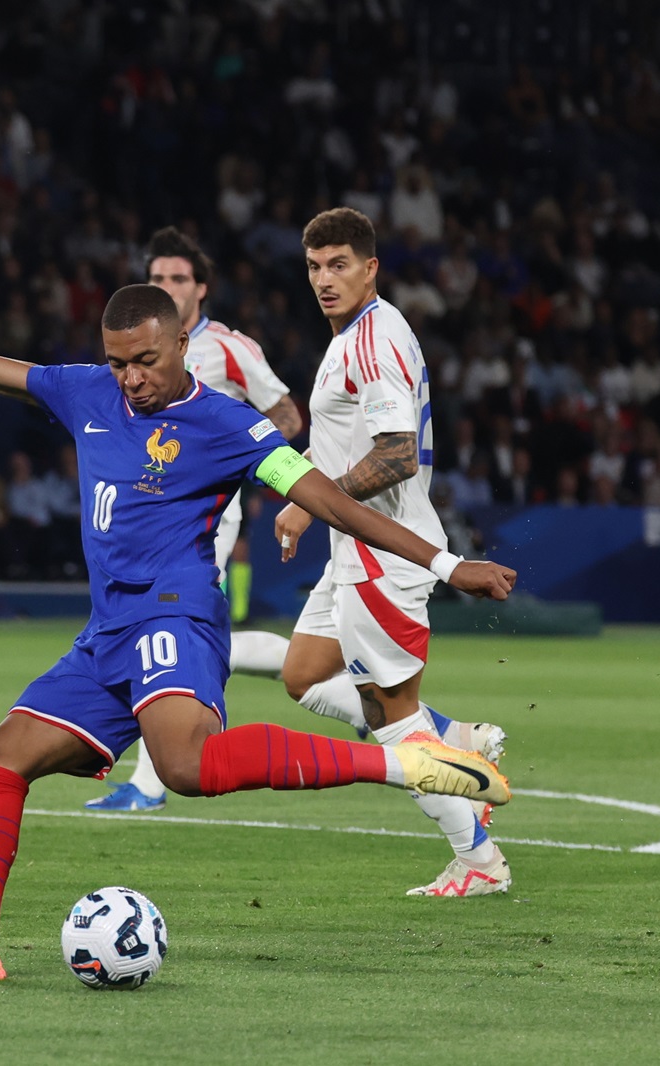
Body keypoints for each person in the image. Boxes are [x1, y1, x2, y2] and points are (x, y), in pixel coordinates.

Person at [0, 253, 516, 980]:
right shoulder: (86, 392)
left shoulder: (229, 427)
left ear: (183, 344)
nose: (132, 379)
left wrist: (446, 564)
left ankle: (406, 762)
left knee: (183, 765)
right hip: (106, 633)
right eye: (119, 363)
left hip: (175, 620)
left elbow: (331, 503)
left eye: (146, 361)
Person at [275, 206, 511, 898]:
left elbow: (396, 455)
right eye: (315, 266)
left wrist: (313, 495)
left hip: (386, 554)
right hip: (354, 547)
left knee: (389, 716)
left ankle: (478, 860)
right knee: (304, 673)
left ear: (370, 267)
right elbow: (346, 440)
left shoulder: (373, 340)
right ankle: (455, 739)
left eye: (339, 264)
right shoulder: (357, 334)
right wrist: (306, 497)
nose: (325, 278)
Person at [89, 226, 314, 811]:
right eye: (159, 277)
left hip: (204, 515)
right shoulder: (138, 348)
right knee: (189, 635)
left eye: (179, 278)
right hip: (145, 510)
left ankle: (147, 782)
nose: (168, 285)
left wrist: (240, 463)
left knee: (160, 626)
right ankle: (348, 690)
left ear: (201, 288)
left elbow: (286, 414)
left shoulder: (232, 348)